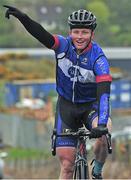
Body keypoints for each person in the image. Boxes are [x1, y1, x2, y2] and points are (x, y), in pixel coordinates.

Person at [3, 6, 112, 179]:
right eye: (76, 32)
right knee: (67, 166)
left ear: (92, 34)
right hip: (66, 106)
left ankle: (97, 170)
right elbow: (42, 35)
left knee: (105, 134)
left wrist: (102, 125)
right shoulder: (62, 46)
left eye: (84, 32)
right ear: (70, 32)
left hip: (91, 105)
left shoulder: (99, 59)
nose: (80, 37)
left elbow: (104, 93)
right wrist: (24, 18)